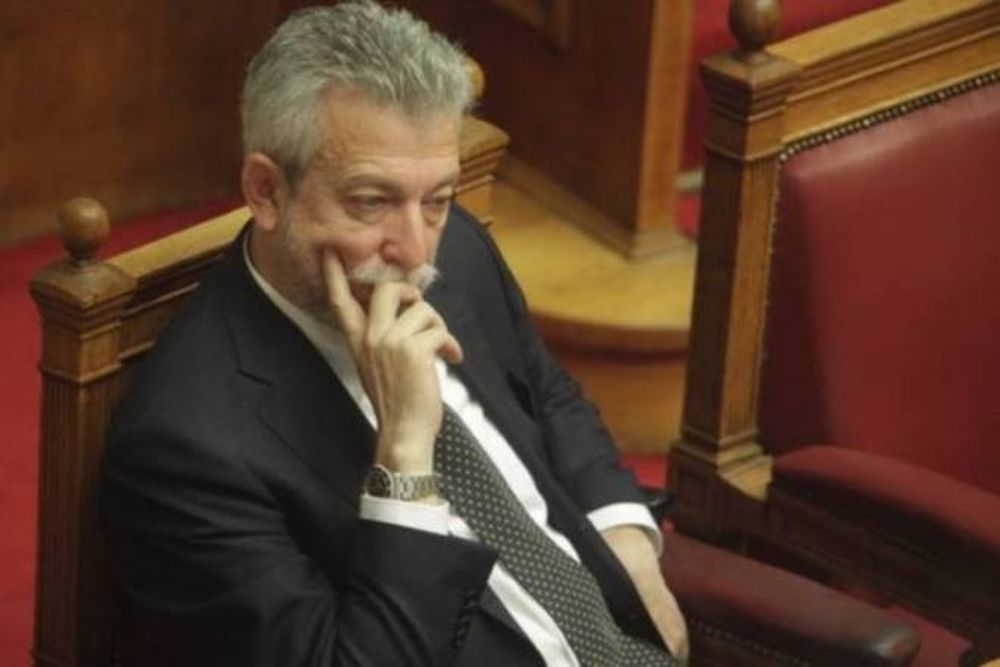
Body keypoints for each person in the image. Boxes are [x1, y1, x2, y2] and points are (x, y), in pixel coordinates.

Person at [100, 2, 688, 664]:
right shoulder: (187, 451)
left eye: (437, 198)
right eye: (371, 202)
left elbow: (547, 394)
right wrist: (405, 456)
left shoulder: (458, 249)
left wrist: (628, 541)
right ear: (266, 190)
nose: (414, 251)